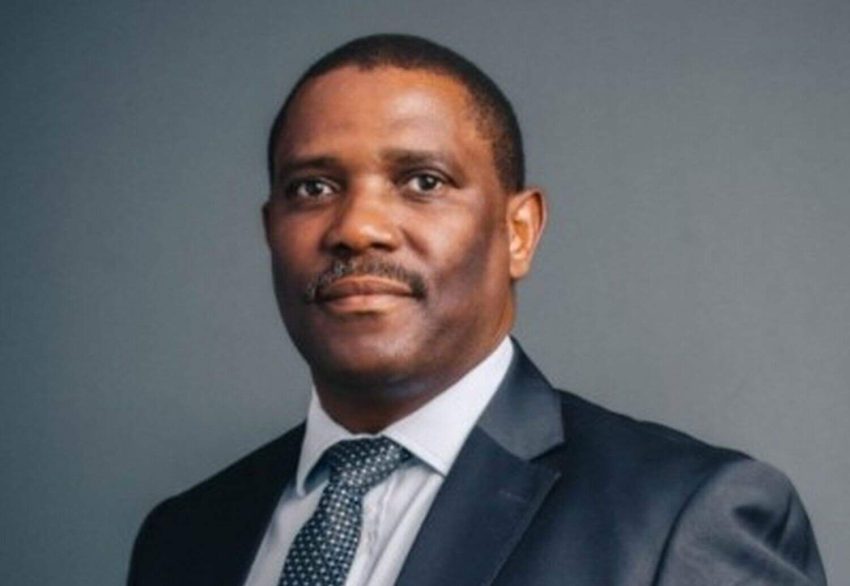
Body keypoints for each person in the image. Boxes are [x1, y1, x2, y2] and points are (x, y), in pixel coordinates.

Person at [128, 34, 826, 586]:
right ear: (269, 231)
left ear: (518, 232)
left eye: (422, 181)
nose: (357, 227)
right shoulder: (184, 537)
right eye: (312, 188)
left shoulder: (685, 517)